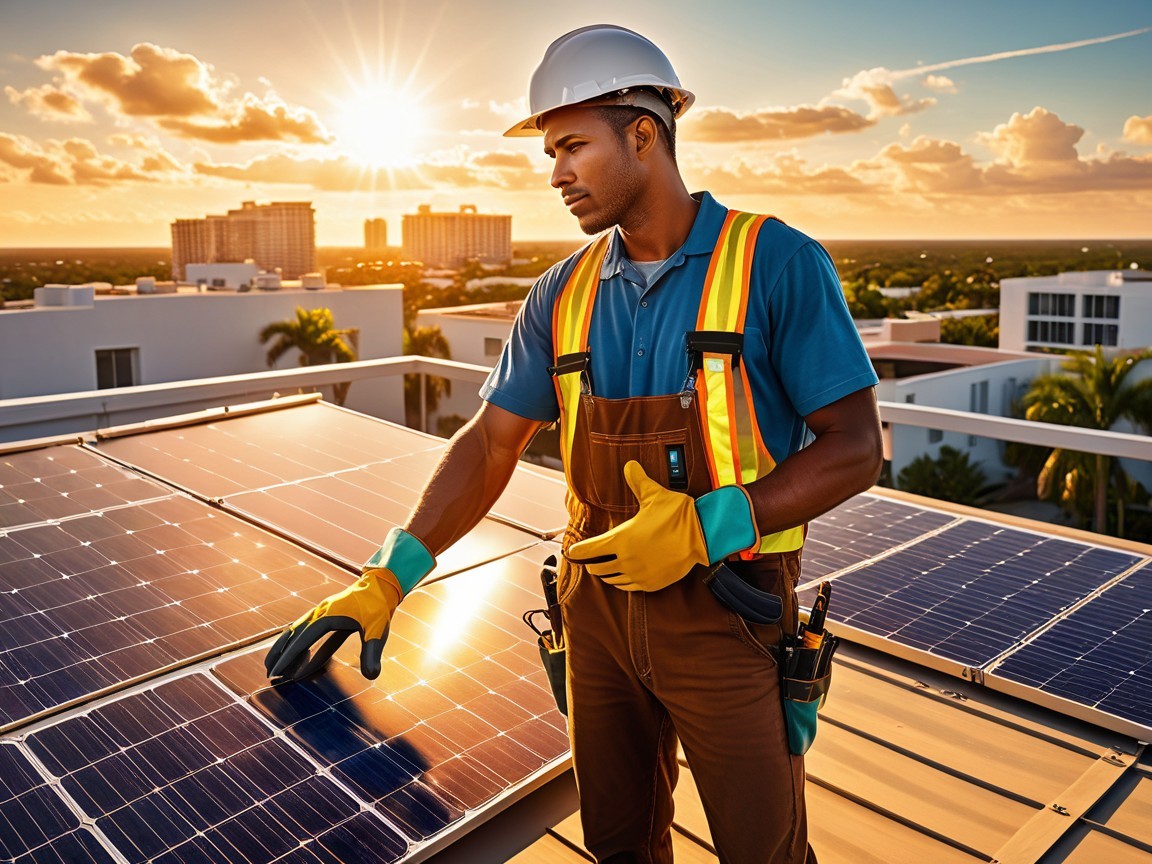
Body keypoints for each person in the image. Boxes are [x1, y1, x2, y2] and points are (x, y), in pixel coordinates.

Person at [266, 24, 882, 864]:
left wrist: (715, 524)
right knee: (619, 846)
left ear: (643, 133)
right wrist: (390, 574)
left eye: (573, 147)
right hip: (592, 614)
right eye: (550, 152)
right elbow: (490, 446)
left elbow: (855, 447)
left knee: (763, 850)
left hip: (729, 615)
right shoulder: (562, 291)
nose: (555, 174)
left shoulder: (773, 262)